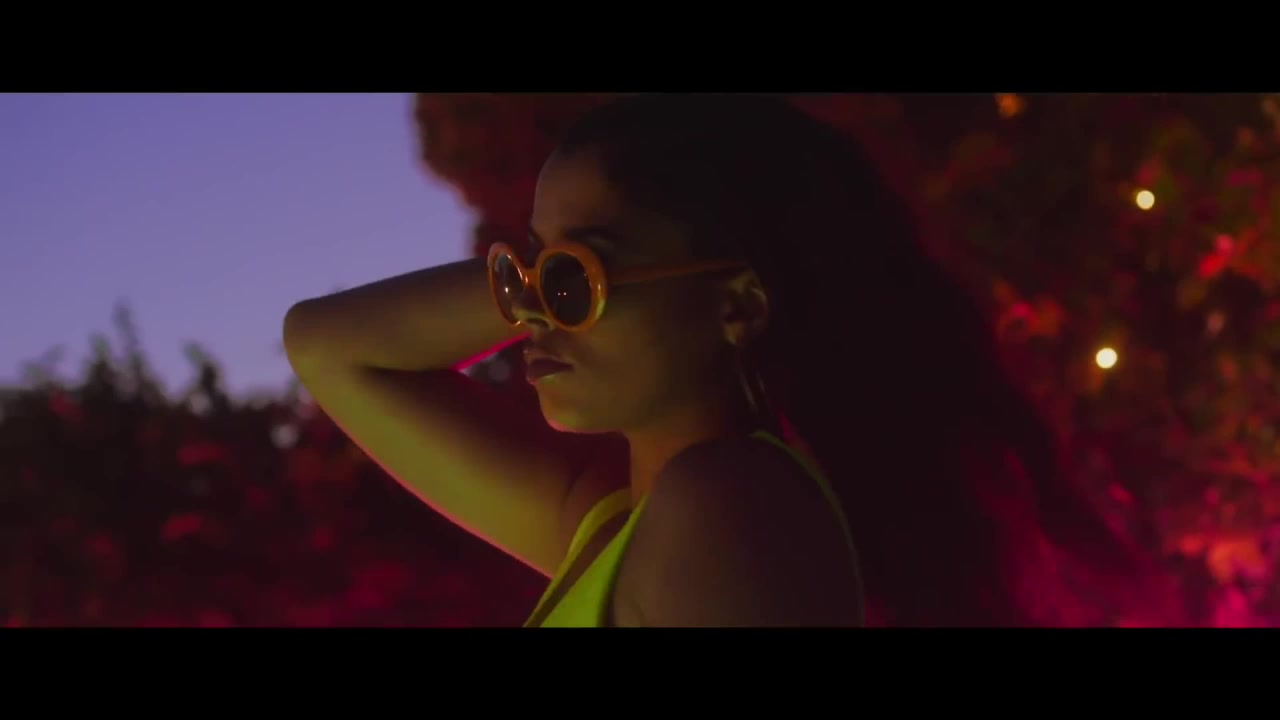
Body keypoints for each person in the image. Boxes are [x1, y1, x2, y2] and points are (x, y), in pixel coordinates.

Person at [283, 93, 1156, 627]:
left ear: (736, 305)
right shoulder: (626, 525)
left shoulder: (727, 505)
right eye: (527, 275)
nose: (533, 315)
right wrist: (540, 277)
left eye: (577, 277)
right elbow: (329, 346)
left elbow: (333, 350)